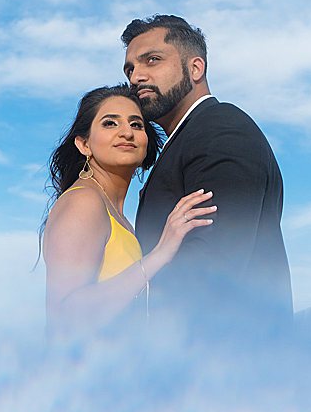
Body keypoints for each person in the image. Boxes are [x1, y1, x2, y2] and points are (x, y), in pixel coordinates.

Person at [119, 15, 295, 344]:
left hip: (228, 367)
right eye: (129, 69)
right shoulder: (191, 138)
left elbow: (215, 268)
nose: (137, 77)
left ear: (195, 69)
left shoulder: (220, 130)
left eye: (152, 61)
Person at [42, 84, 216, 342]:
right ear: (84, 144)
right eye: (110, 123)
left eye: (136, 125)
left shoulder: (114, 212)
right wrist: (159, 255)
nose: (127, 133)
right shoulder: (84, 202)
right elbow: (66, 317)